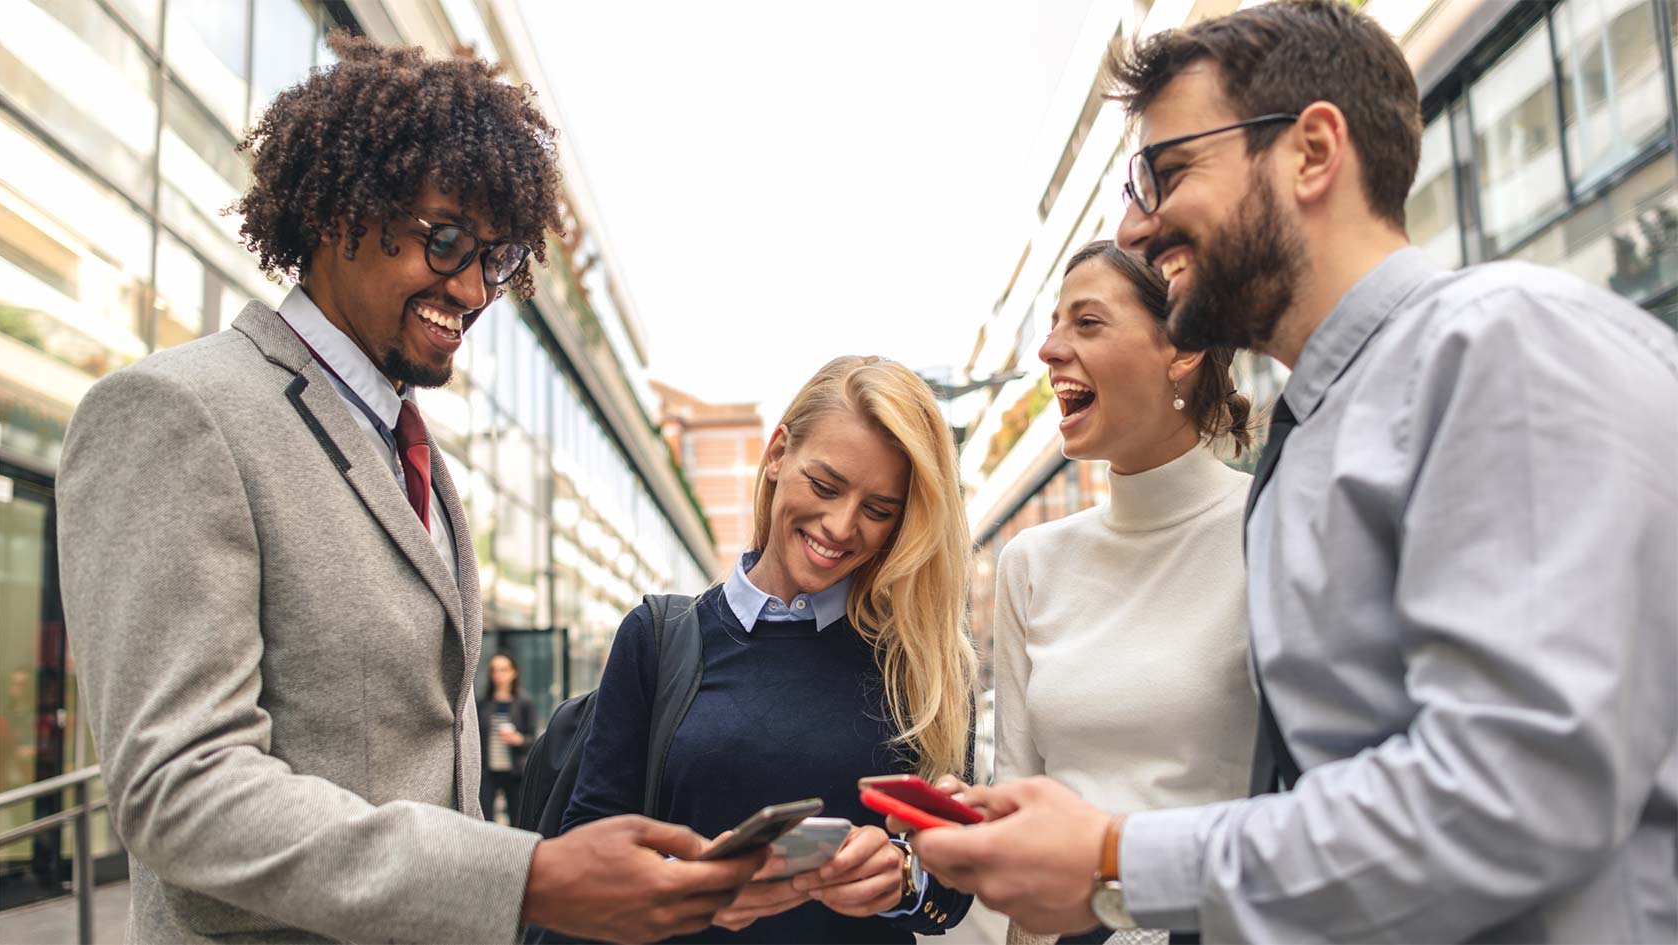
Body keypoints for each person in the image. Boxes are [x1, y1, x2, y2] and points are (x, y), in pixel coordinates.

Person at [912, 2, 1678, 942]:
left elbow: (1517, 794)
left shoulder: (1498, 348)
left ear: (1313, 152)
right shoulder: (1314, 431)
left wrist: (1120, 859)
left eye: (1169, 171)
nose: (1136, 226)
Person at [55, 33, 761, 945]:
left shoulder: (412, 452)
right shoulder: (174, 413)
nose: (470, 287)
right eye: (444, 238)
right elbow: (182, 790)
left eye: (495, 258)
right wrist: (527, 877)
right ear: (338, 209)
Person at [563, 356, 976, 943]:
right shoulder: (658, 637)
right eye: (826, 486)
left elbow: (952, 898)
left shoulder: (925, 663)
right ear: (778, 454)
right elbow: (585, 847)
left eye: (878, 510)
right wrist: (690, 884)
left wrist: (906, 878)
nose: (840, 525)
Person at [992, 241, 1254, 945]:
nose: (1049, 348)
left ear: (1182, 350)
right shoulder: (1031, 562)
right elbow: (1017, 808)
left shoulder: (1272, 529)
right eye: (1053, 324)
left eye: (1088, 322)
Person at [480, 652, 537, 824]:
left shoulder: (524, 703)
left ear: (514, 672)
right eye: (495, 670)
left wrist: (518, 739)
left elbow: (533, 740)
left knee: (517, 818)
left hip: (515, 772)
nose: (499, 675)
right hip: (488, 771)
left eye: (504, 669)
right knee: (485, 819)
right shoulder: (483, 704)